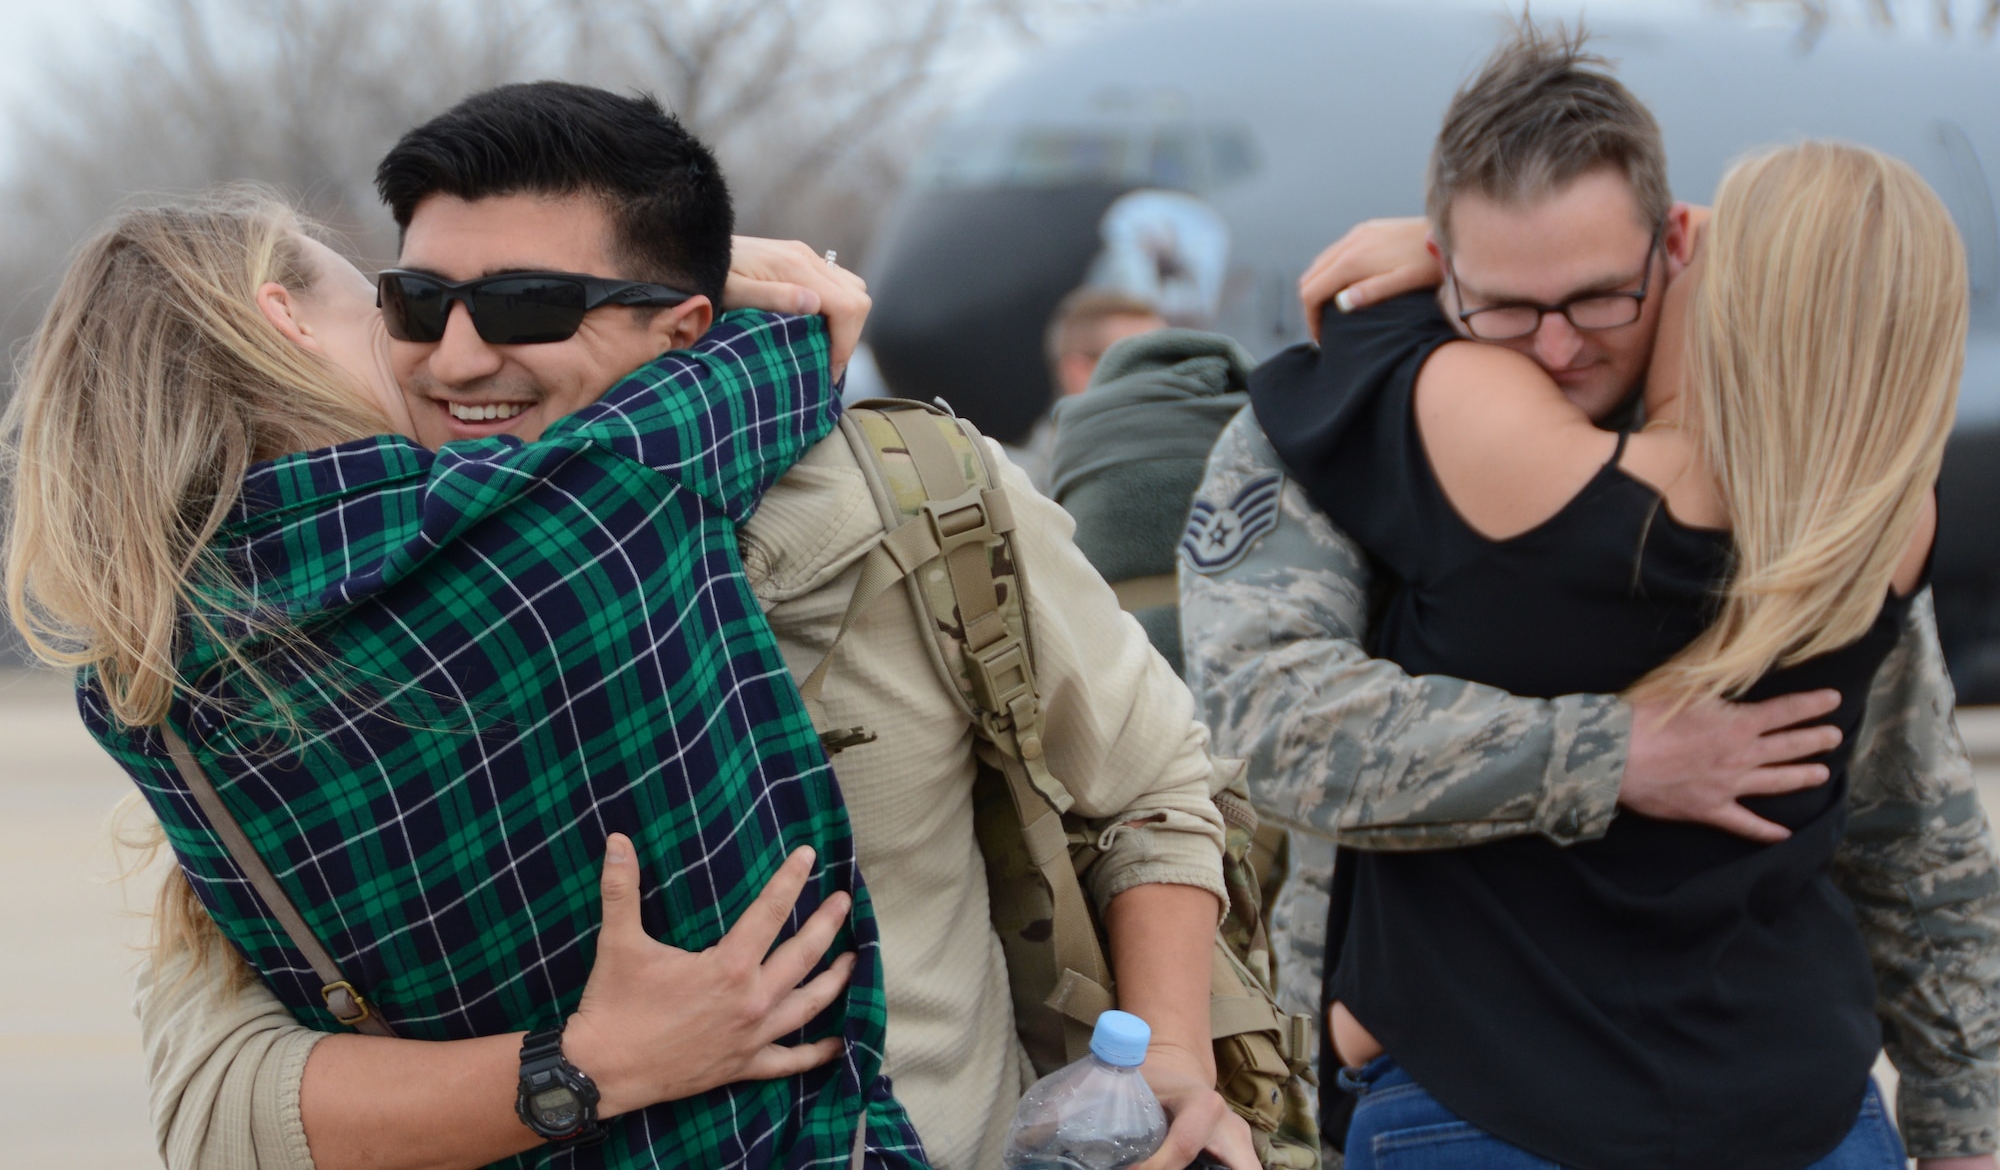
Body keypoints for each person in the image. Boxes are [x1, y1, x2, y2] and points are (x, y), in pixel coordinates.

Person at [41, 83, 1249, 1170]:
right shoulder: (271, 676)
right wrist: (584, 1066)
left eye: (525, 304)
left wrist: (1168, 1065)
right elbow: (217, 1106)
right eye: (412, 300)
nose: (457, 353)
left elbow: (1146, 786)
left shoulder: (913, 495)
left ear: (679, 324)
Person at [1180, 25, 2000, 1168]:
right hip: (1474, 1086)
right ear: (1442, 264)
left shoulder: (1806, 474)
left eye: (1597, 297)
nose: (1557, 347)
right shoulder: (1340, 439)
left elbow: (1903, 807)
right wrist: (1615, 753)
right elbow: (1268, 724)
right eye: (1506, 305)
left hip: (1780, 1094)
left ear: (1673, 245)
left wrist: (1962, 1107)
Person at [5, 181, 924, 1169]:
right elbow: (802, 331)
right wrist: (641, 281)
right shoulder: (577, 504)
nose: (435, 349)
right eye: (393, 311)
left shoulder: (145, 693)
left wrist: (580, 1064)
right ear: (285, 319)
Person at [1009, 288, 1168, 491]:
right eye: (1142, 363)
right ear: (1078, 373)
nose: (1166, 379)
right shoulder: (1021, 489)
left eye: (1171, 360)